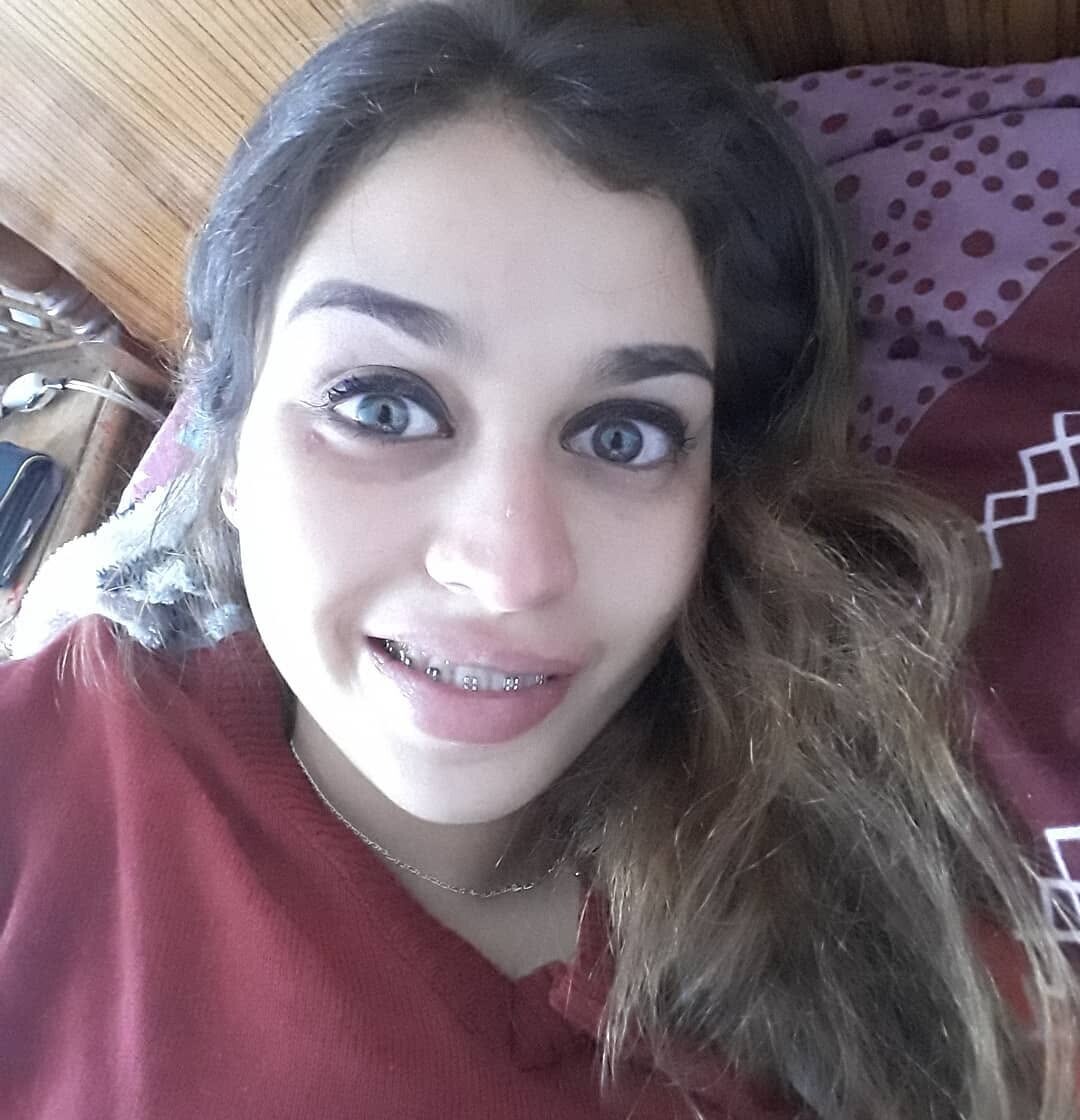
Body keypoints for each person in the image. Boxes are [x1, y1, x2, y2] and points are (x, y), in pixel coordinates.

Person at [1, 0, 1076, 1117]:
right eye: (381, 404)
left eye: (625, 436)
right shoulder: (39, 790)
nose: (509, 570)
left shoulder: (862, 914)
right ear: (227, 453)